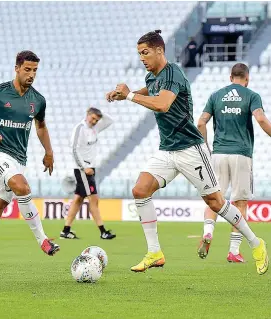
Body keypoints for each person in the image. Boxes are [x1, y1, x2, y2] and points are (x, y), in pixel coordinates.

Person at [106, 30, 268, 275]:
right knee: (140, 189)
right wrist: (125, 95)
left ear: (160, 50)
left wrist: (128, 95)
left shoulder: (174, 73)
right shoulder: (153, 76)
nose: (142, 58)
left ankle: (256, 244)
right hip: (167, 150)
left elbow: (162, 104)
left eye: (145, 52)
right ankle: (155, 252)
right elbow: (152, 90)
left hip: (190, 149)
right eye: (139, 54)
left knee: (215, 202)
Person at [197, 63, 271, 262]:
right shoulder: (251, 95)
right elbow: (261, 119)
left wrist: (205, 148)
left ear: (231, 77)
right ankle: (234, 251)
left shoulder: (216, 96)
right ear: (247, 79)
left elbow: (201, 123)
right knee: (239, 202)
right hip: (241, 154)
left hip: (218, 154)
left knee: (214, 198)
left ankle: (208, 232)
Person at [0, 51, 59, 256]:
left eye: (35, 70)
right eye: (27, 69)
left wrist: (49, 152)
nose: (31, 74)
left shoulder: (37, 100)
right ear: (17, 68)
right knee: (22, 185)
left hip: (19, 159)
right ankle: (43, 241)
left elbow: (41, 126)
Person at [60, 107, 116, 240]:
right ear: (87, 115)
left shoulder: (95, 128)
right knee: (94, 199)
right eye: (93, 118)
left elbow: (110, 120)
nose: (95, 121)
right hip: (83, 169)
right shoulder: (79, 128)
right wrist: (83, 167)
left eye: (97, 119)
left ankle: (65, 230)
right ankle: (103, 231)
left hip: (90, 168)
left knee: (78, 199)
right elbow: (74, 149)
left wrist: (101, 111)